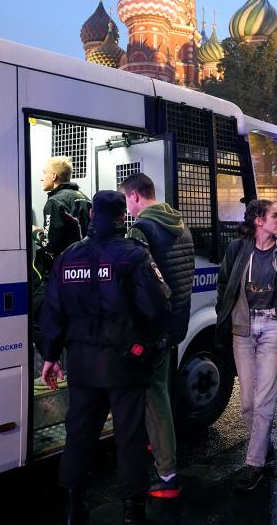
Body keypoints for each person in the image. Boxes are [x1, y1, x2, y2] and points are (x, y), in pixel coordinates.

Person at [39, 190, 171, 525]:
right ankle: (133, 512)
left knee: (80, 435)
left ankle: (72, 507)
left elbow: (52, 313)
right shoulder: (134, 255)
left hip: (81, 364)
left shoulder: (67, 257)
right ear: (120, 217)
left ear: (91, 215)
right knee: (129, 437)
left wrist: (51, 357)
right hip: (124, 365)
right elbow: (155, 308)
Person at [216, 199, 277, 491]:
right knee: (248, 403)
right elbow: (224, 284)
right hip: (243, 327)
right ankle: (262, 443)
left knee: (265, 398)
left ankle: (253, 463)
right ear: (258, 220)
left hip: (272, 328)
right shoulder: (237, 249)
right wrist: (223, 315)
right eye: (275, 215)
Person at [119, 173, 195, 499]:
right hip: (175, 321)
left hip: (153, 327)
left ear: (135, 196)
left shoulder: (142, 229)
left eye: (126, 201)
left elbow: (140, 283)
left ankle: (168, 474)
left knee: (155, 398)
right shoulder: (179, 223)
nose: (126, 208)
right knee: (161, 389)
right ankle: (159, 444)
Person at [33, 155, 92, 281]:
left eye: (44, 173)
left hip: (64, 272)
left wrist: (35, 232)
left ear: (54, 176)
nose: (41, 178)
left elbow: (49, 244)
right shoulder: (85, 198)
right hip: (87, 269)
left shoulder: (54, 202)